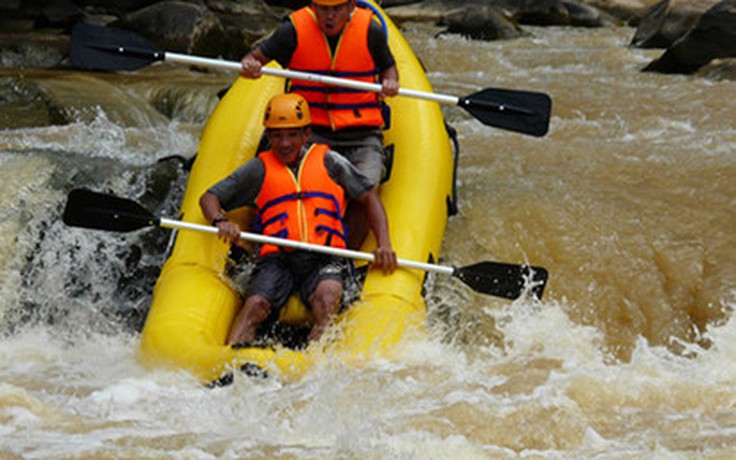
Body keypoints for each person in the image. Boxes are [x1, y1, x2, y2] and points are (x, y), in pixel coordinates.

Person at [200, 93, 397, 346]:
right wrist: (219, 220)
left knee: (327, 300)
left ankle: (310, 371)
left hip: (325, 254)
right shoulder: (258, 169)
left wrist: (385, 244)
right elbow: (210, 197)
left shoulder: (329, 161)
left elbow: (369, 197)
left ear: (306, 134)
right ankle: (226, 366)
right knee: (255, 306)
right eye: (277, 135)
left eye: (292, 134)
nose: (284, 143)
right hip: (278, 258)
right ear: (268, 137)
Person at [240, 0, 399, 248]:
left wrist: (390, 82)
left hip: (362, 134)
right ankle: (279, 247)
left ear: (350, 8)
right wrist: (250, 65)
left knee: (365, 190)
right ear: (314, 8)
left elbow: (388, 67)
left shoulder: (371, 31)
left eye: (336, 9)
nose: (330, 16)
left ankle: (346, 255)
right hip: (308, 131)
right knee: (286, 181)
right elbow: (254, 57)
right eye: (324, 9)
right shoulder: (292, 30)